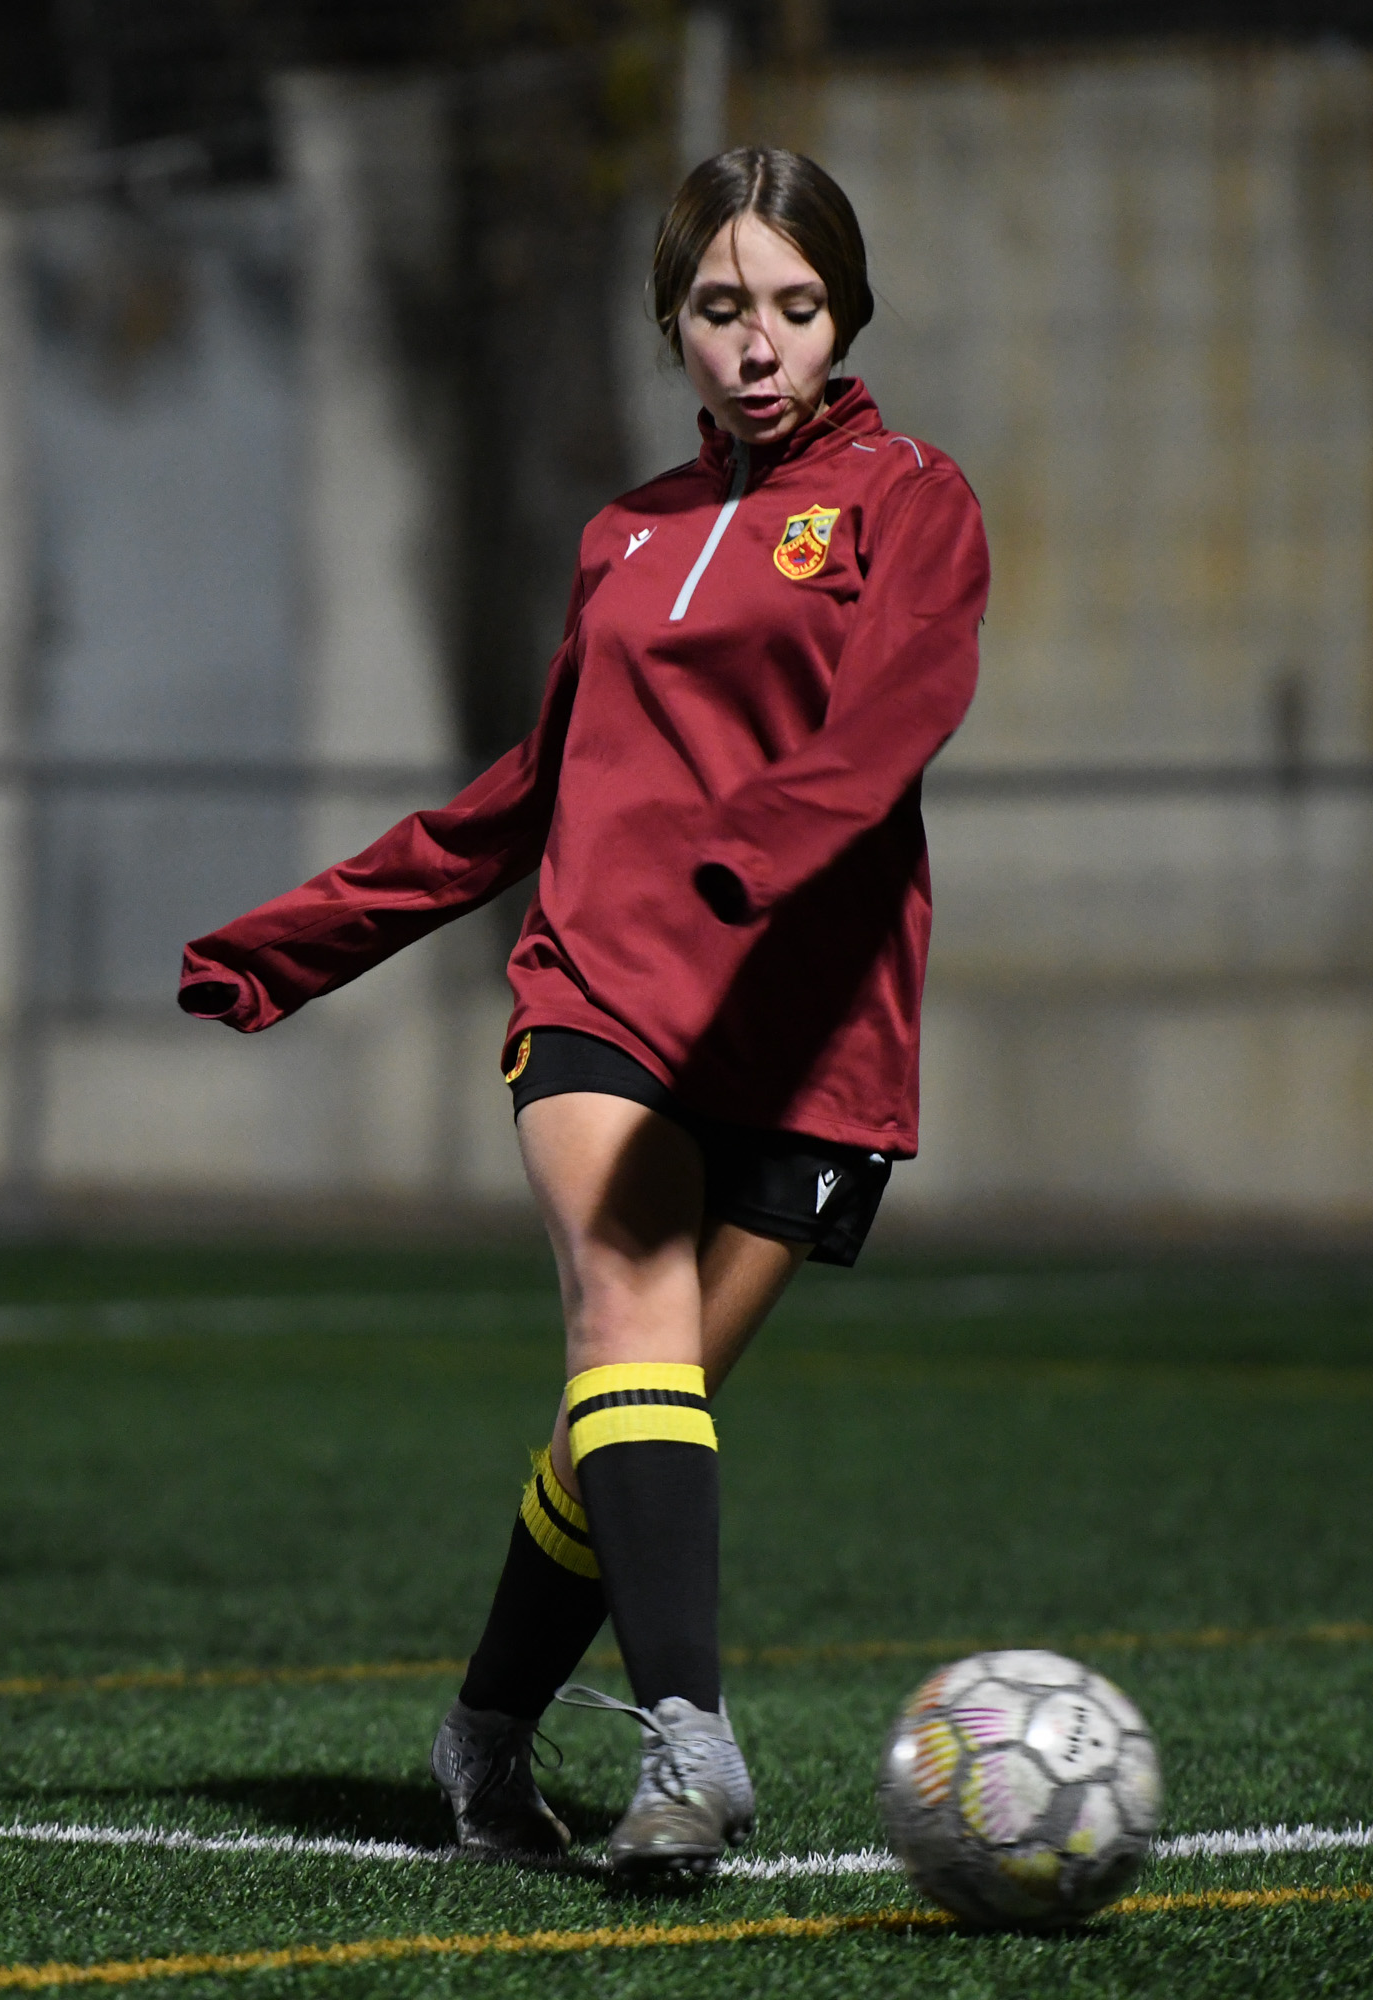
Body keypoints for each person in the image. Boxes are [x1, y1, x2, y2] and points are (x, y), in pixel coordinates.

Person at [177, 146, 988, 1880]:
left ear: (846, 315)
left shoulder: (912, 499)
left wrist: (760, 843)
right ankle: (693, 1747)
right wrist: (298, 942)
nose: (758, 343)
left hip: (813, 1026)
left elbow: (898, 712)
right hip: (604, 982)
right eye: (721, 307)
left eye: (795, 306)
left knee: (631, 1409)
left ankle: (484, 1732)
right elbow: (530, 788)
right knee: (624, 1307)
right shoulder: (623, 533)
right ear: (670, 321)